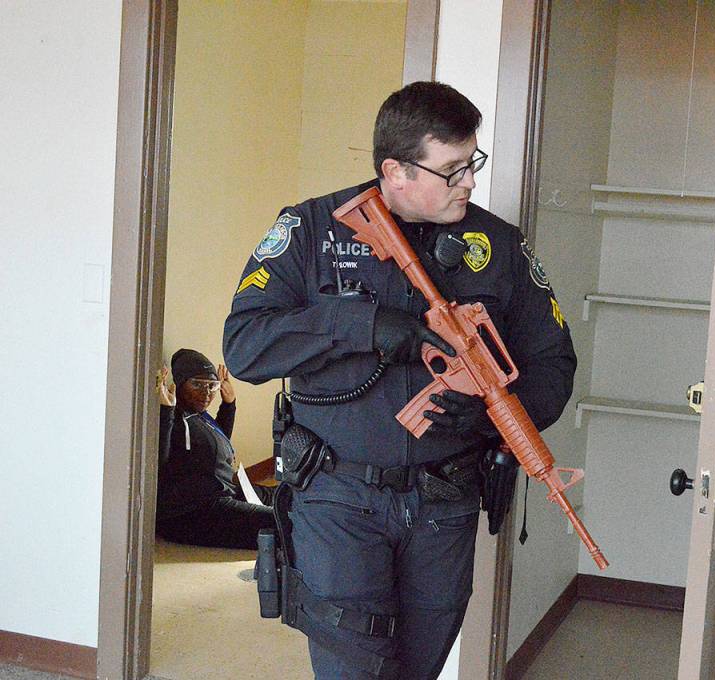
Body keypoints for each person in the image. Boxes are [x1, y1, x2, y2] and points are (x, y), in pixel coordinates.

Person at [223, 81, 576, 679]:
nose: (469, 181)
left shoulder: (498, 245)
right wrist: (360, 325)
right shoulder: (311, 232)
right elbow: (245, 347)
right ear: (396, 170)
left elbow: (553, 361)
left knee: (419, 667)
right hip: (338, 498)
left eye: (472, 163)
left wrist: (495, 415)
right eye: (453, 169)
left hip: (444, 503)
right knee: (353, 667)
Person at [155, 348, 275, 550]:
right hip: (192, 512)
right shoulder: (175, 416)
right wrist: (165, 411)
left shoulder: (199, 415)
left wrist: (229, 404)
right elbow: (159, 463)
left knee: (276, 495)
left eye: (212, 385)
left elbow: (217, 446)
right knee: (282, 524)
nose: (207, 392)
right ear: (180, 384)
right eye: (197, 385)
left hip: (219, 490)